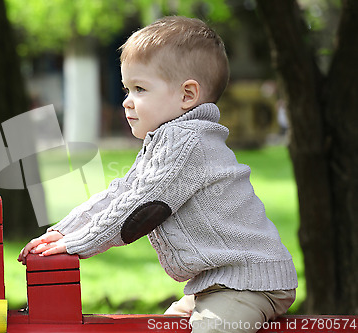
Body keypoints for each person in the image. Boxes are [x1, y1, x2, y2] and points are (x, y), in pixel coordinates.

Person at [18, 16, 297, 333]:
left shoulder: (187, 145)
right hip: (212, 283)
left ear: (187, 95)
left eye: (140, 89)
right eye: (126, 88)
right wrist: (64, 232)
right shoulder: (169, 141)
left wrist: (77, 244)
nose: (126, 101)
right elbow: (121, 193)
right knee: (161, 328)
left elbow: (140, 208)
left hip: (249, 281)